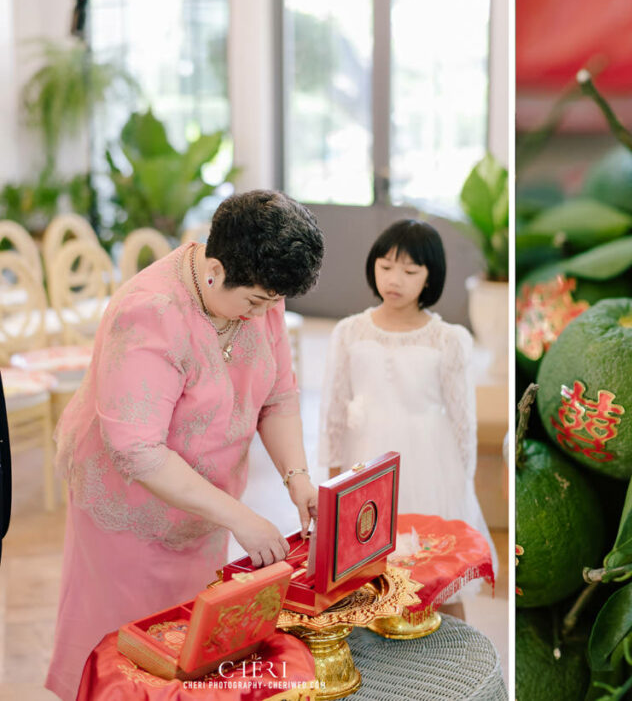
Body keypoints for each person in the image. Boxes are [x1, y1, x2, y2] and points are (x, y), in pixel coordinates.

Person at [45, 190, 325, 700]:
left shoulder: (261, 291)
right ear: (215, 269)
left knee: (189, 655)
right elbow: (138, 450)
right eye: (255, 302)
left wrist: (297, 478)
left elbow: (278, 398)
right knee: (127, 658)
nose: (261, 314)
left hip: (202, 506)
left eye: (270, 304)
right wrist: (239, 516)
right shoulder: (150, 312)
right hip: (129, 514)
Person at [318, 219, 496, 616]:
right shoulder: (349, 332)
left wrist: (461, 483)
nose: (394, 279)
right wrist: (332, 478)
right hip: (365, 459)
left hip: (430, 461)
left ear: (430, 277)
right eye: (385, 266)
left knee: (439, 575)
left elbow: (463, 417)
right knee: (368, 574)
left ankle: (457, 662)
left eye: (410, 271)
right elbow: (332, 408)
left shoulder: (448, 339)